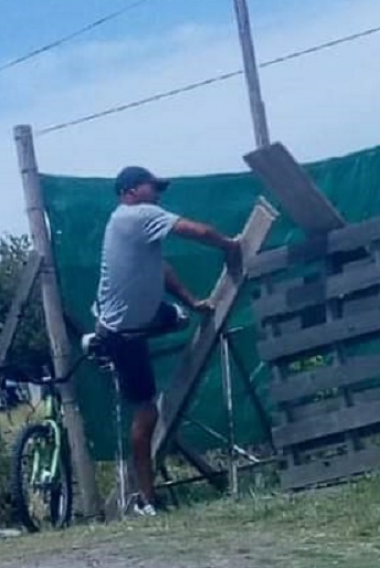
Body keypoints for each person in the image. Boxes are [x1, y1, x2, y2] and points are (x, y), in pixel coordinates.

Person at [91, 165, 241, 516]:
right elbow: (198, 231)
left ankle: (174, 317)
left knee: (181, 318)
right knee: (147, 414)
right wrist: (230, 245)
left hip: (145, 314)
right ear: (130, 192)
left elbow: (160, 269)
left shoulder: (138, 227)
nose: (157, 194)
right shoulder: (136, 215)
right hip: (123, 333)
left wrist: (191, 301)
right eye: (151, 187)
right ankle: (146, 499)